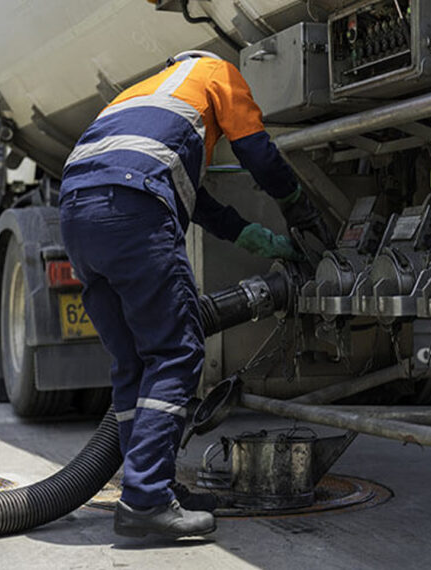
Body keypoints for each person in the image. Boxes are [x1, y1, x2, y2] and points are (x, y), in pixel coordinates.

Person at [59, 50, 332, 538]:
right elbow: (258, 152)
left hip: (77, 213)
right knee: (175, 352)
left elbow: (193, 197)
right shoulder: (215, 72)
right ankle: (145, 502)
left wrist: (253, 236)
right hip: (132, 205)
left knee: (133, 364)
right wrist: (296, 205)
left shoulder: (141, 94)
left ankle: (151, 484)